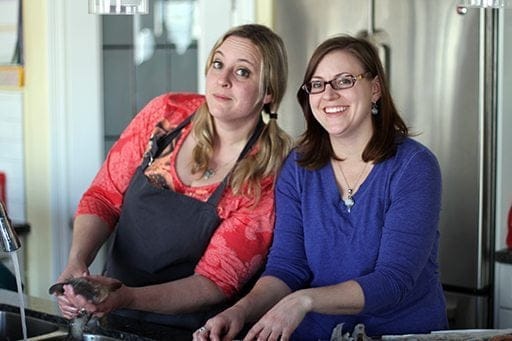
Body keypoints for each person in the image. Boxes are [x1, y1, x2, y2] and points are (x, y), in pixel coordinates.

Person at [193, 35, 448, 340]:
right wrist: (240, 310)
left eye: (344, 81)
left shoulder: (414, 166)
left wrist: (304, 300)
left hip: (399, 333)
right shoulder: (298, 168)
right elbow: (288, 267)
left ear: (375, 89)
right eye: (318, 84)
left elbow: (393, 281)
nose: (329, 94)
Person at [52, 23, 293, 332]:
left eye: (243, 72)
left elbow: (215, 282)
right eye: (218, 64)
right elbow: (103, 197)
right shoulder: (166, 114)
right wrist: (76, 262)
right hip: (112, 317)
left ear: (269, 92)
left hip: (199, 330)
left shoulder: (270, 170)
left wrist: (126, 297)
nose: (223, 79)